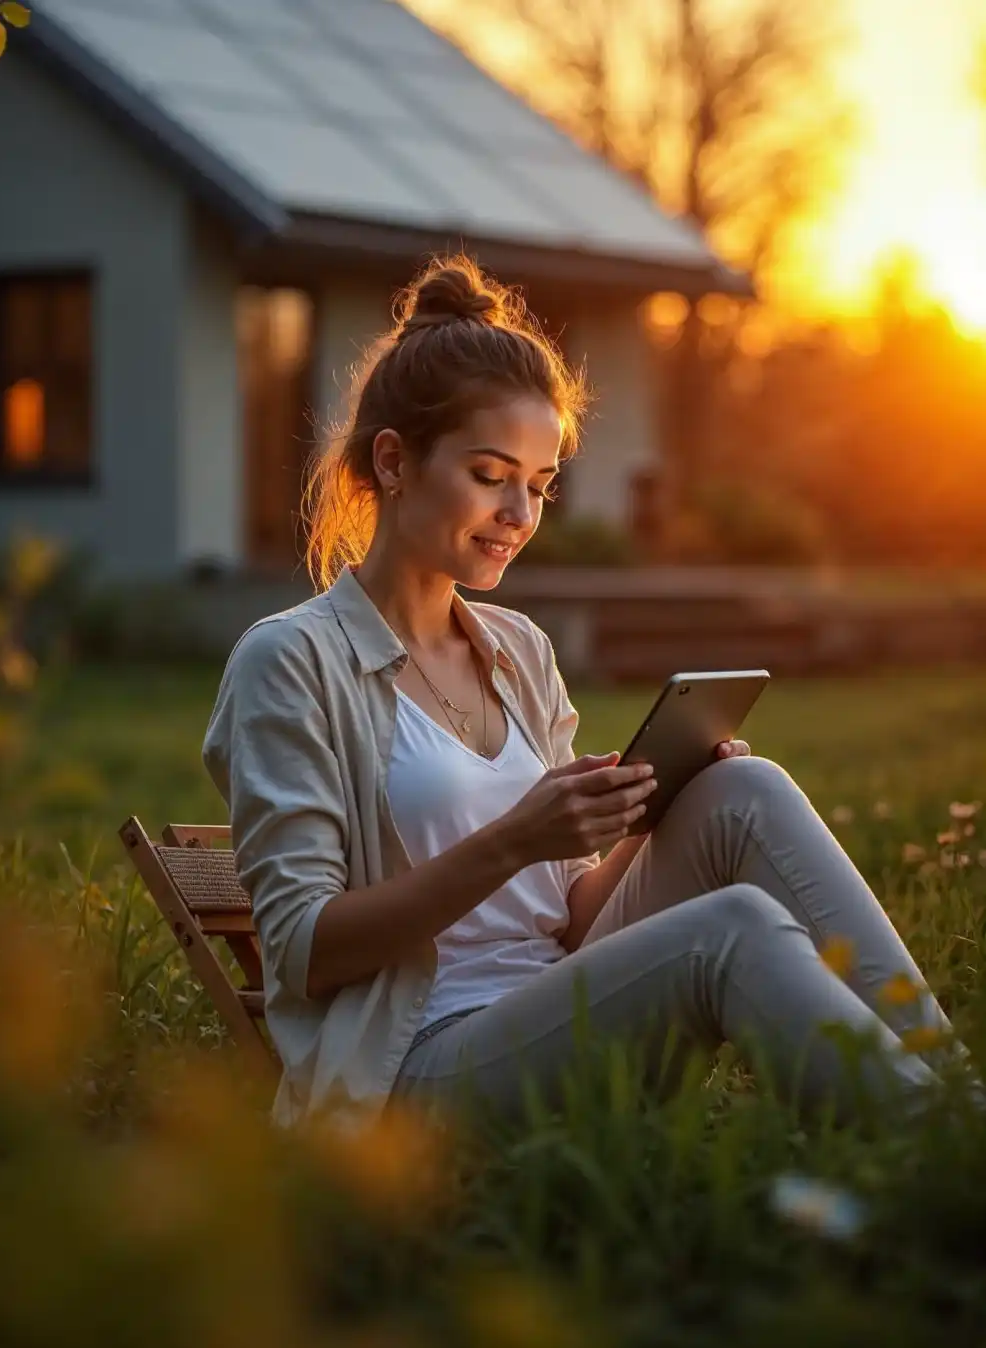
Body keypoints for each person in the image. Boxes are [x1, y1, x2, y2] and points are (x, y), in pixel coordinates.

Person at [203, 255, 961, 1134]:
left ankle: (952, 1107)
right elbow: (303, 953)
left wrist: (650, 817)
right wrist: (514, 838)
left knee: (739, 790)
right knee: (730, 931)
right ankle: (945, 1151)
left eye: (538, 485)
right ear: (394, 460)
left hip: (555, 1004)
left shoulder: (518, 650)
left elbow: (562, 915)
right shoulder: (290, 662)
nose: (521, 516)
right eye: (491, 475)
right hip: (413, 1070)